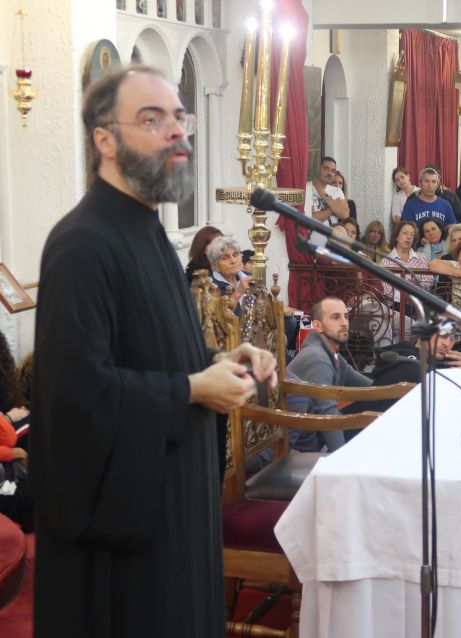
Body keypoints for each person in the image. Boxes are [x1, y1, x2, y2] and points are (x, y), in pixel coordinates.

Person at [30, 65, 277, 638]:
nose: (176, 132)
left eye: (180, 117)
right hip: (123, 546)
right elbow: (75, 398)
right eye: (152, 119)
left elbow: (147, 358)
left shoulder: (148, 235)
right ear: (104, 139)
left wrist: (219, 364)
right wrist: (191, 389)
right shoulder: (82, 246)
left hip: (175, 506)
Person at [287, 297, 372, 452]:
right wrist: (340, 461)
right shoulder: (316, 358)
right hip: (299, 451)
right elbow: (328, 415)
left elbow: (372, 389)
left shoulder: (332, 356)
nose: (344, 323)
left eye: (346, 316)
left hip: (317, 441)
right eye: (335, 317)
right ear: (317, 325)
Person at [206, 236, 252, 315]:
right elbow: (221, 317)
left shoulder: (248, 277)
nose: (233, 261)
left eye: (235, 255)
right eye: (225, 258)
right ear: (215, 265)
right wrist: (238, 293)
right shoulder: (211, 287)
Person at [310, 155, 350, 226]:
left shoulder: (337, 191)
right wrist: (334, 208)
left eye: (333, 171)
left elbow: (345, 214)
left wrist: (324, 195)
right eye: (326, 169)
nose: (330, 173)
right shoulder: (308, 189)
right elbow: (311, 219)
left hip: (332, 233)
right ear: (318, 169)